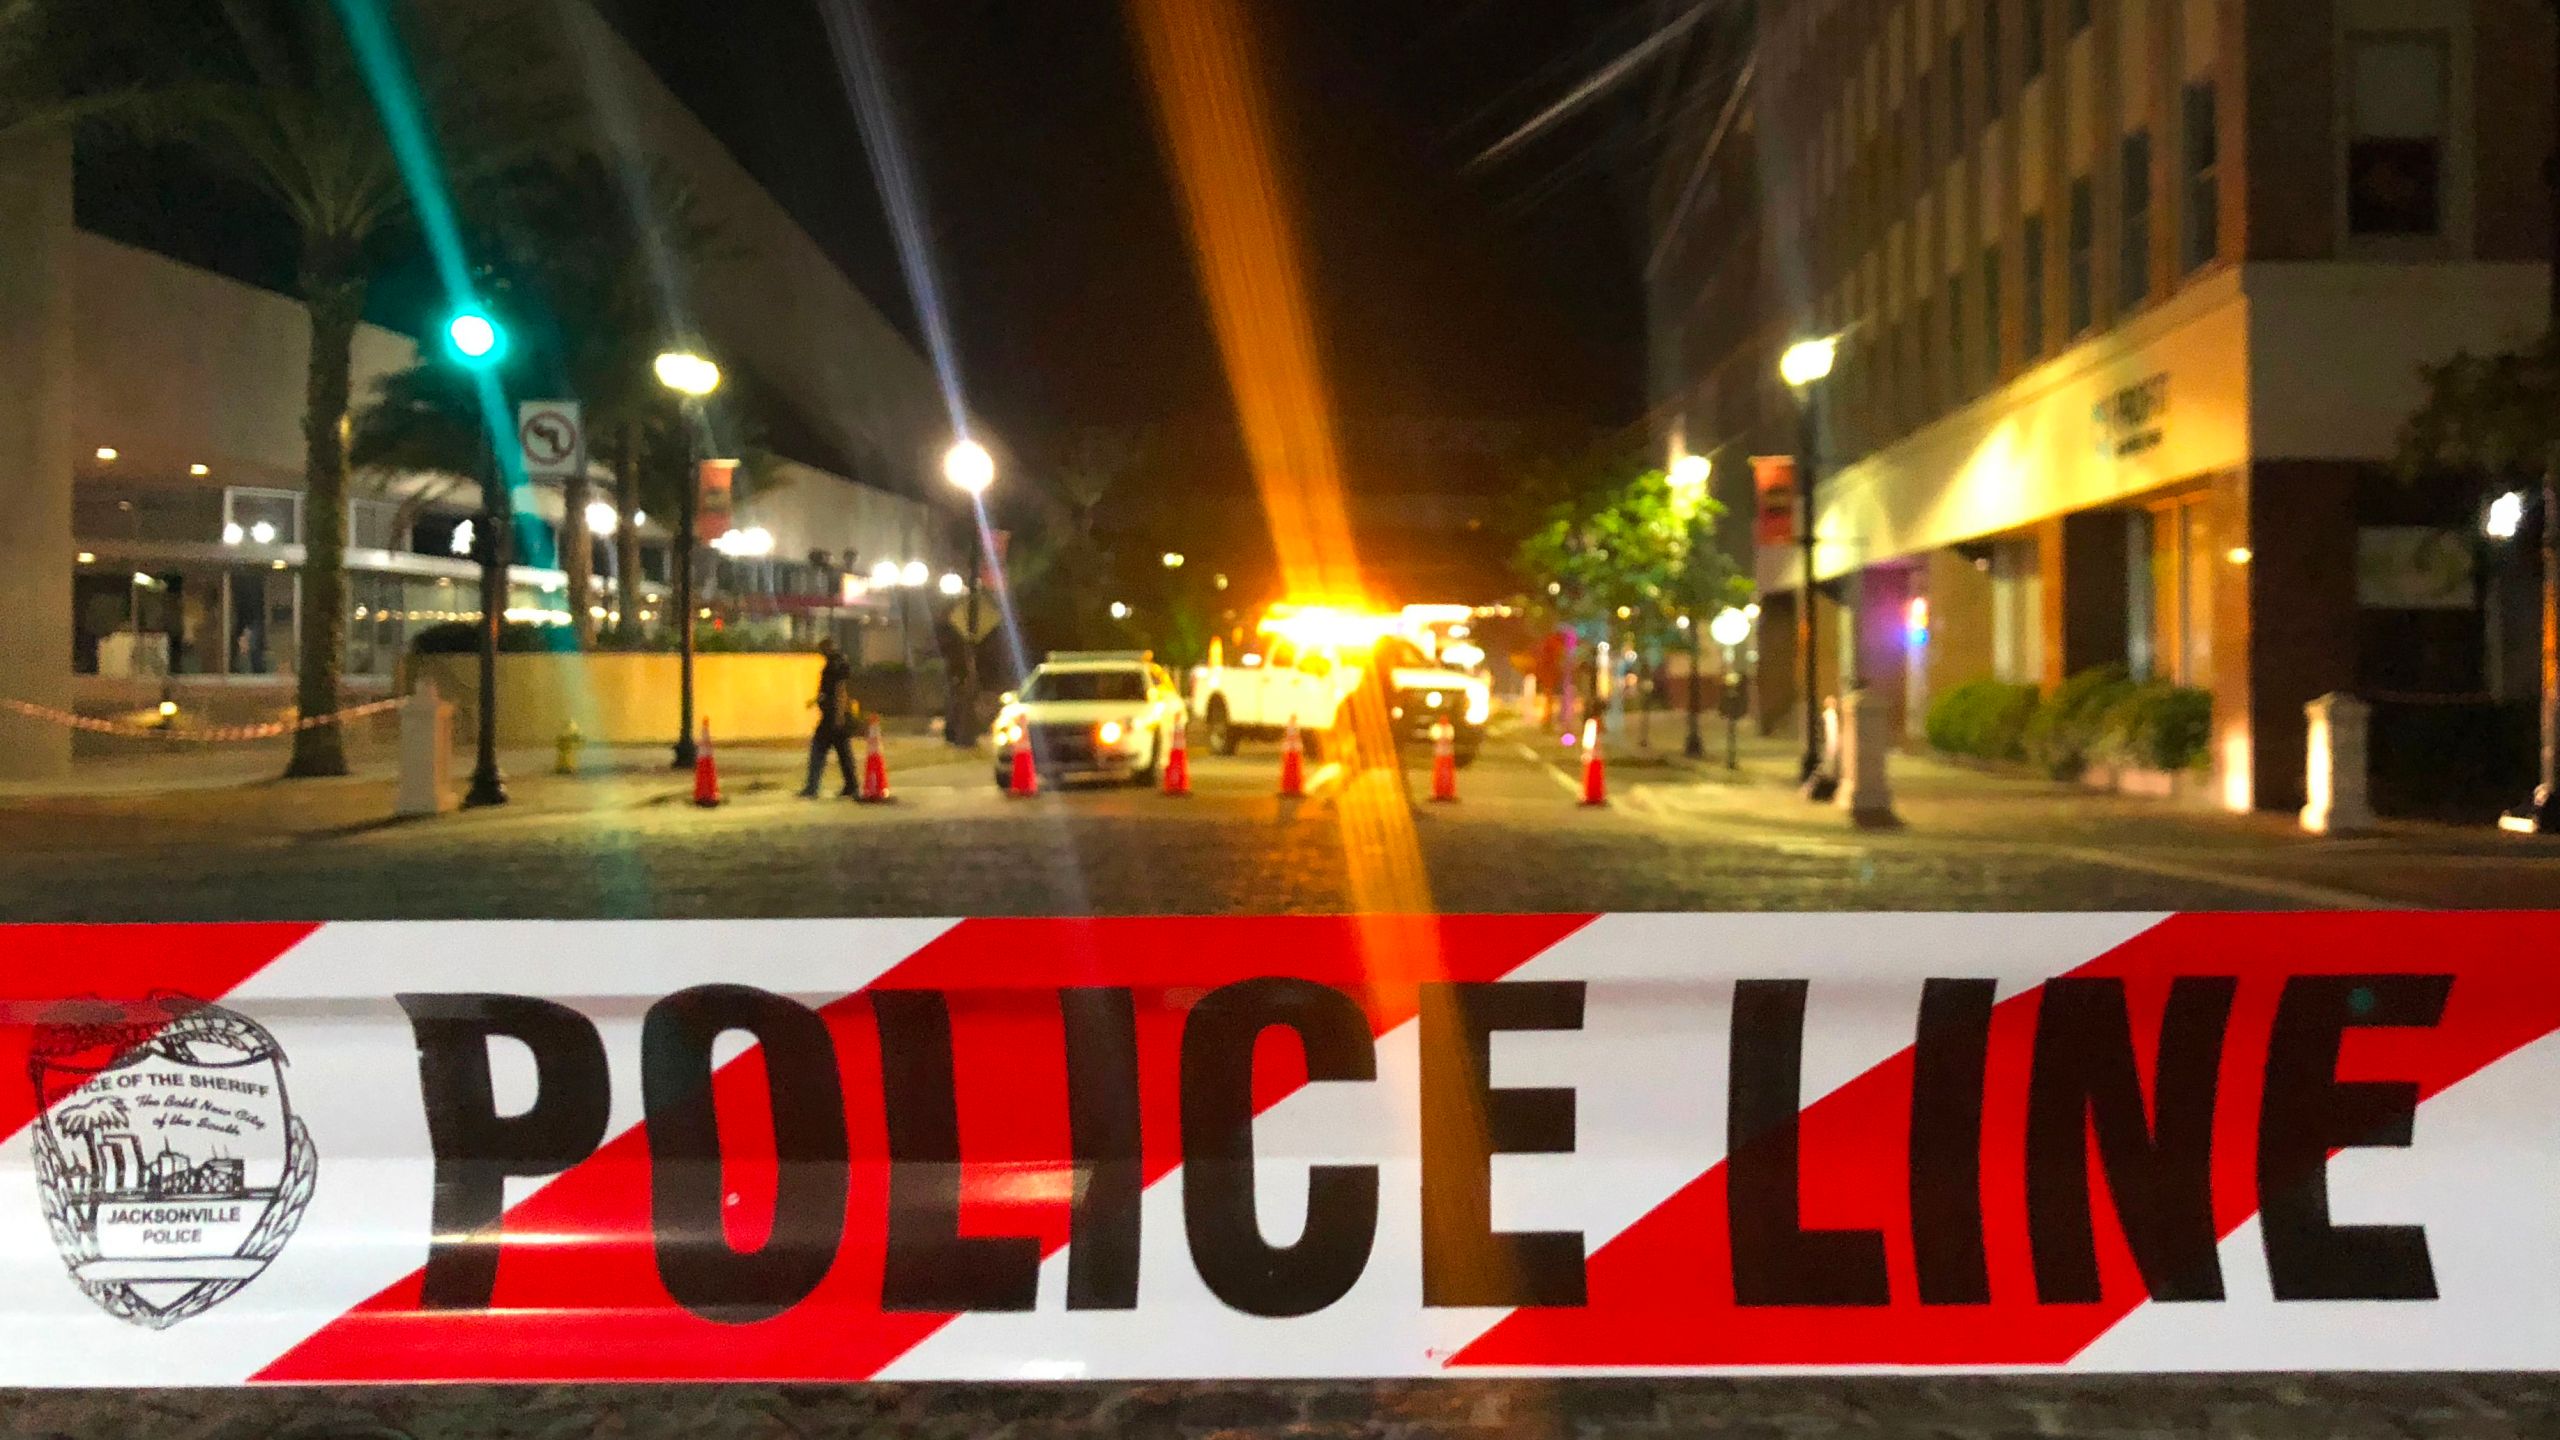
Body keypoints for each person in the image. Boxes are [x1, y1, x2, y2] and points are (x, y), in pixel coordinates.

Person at [800, 637, 858, 798]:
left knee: (818, 749)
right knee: (844, 752)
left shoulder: (834, 666)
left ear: (827, 648)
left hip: (832, 717)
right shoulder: (839, 663)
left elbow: (839, 691)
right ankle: (851, 785)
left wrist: (838, 716)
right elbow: (830, 692)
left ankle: (812, 787)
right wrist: (816, 701)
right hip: (838, 715)